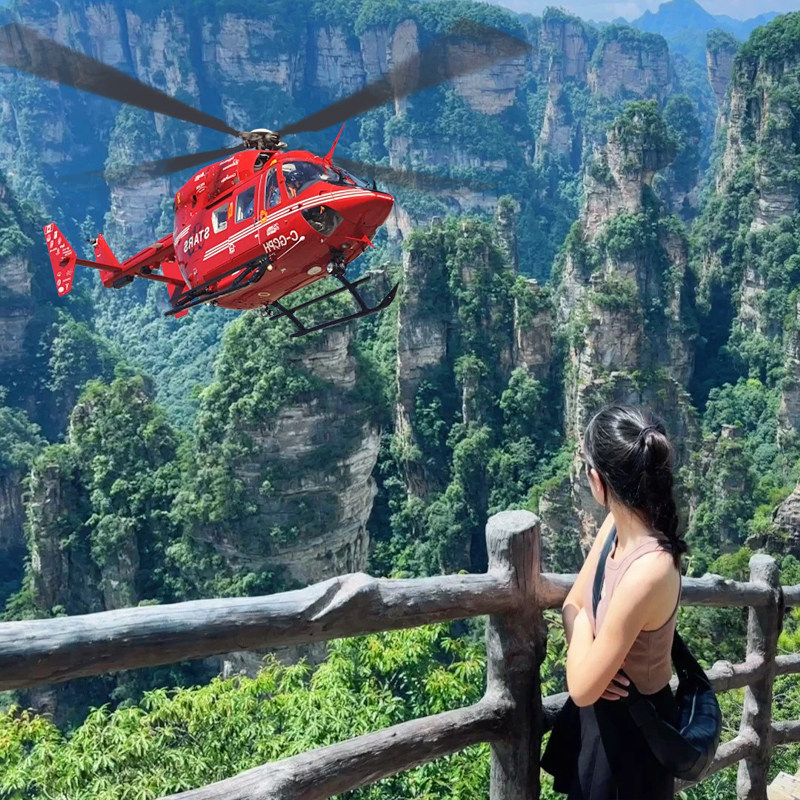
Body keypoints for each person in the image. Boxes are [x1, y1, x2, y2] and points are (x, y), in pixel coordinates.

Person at [556, 405, 688, 799]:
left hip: (636, 739)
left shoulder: (652, 567)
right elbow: (570, 603)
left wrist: (584, 629)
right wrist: (590, 643)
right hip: (601, 725)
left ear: (598, 482)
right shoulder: (615, 526)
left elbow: (581, 686)